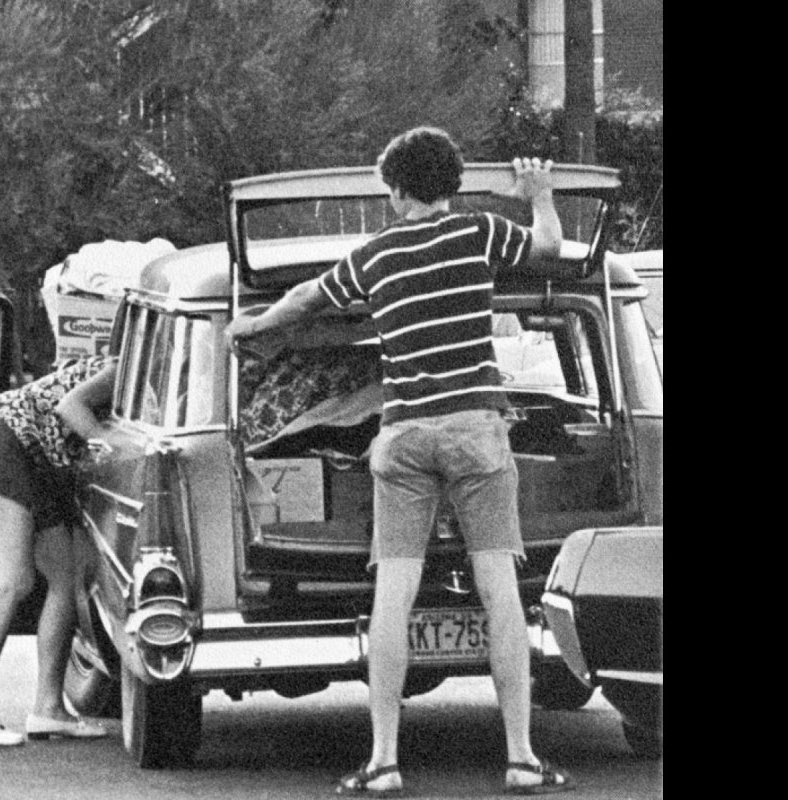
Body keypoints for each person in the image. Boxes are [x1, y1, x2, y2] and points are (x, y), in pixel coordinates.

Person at [224, 127, 573, 795]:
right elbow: (550, 247)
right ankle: (522, 759)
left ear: (395, 191)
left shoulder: (375, 256)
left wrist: (251, 328)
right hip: (476, 425)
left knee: (393, 594)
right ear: (451, 185)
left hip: (405, 431)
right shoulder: (479, 234)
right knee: (500, 591)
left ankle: (383, 760)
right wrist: (541, 195)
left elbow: (303, 303)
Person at [0, 354, 123, 745]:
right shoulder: (120, 368)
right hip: (6, 443)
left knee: (68, 575)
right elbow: (69, 406)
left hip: (41, 461)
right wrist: (115, 451)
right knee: (14, 579)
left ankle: (49, 709)